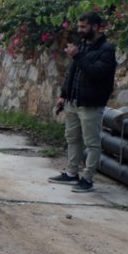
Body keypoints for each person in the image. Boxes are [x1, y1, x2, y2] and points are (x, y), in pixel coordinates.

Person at [49, 12, 117, 193]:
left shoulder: (107, 50)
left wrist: (78, 56)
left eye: (83, 27)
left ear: (95, 27)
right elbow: (72, 73)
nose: (80, 30)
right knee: (72, 138)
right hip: (73, 101)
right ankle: (71, 173)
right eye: (79, 26)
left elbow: (96, 73)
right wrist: (64, 94)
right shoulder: (83, 46)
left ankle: (87, 178)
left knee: (92, 142)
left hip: (91, 103)